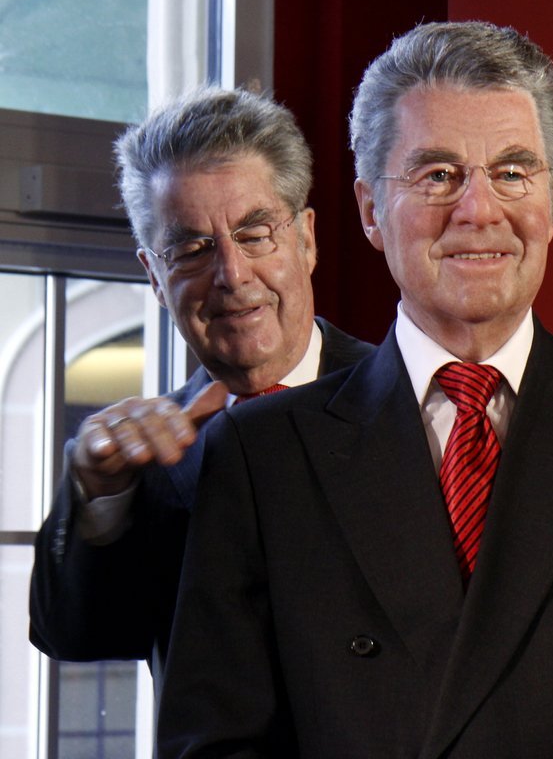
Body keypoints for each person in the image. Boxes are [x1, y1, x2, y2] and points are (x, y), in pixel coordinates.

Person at [156, 22, 553, 758]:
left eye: (513, 172)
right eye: (438, 175)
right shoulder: (261, 455)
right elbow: (214, 742)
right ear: (369, 211)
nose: (480, 210)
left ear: (551, 200)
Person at [28, 87, 374, 697]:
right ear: (155, 277)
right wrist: (100, 497)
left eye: (255, 234)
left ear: (307, 239)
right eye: (192, 250)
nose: (232, 275)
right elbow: (75, 636)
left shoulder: (414, 401)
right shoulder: (142, 458)